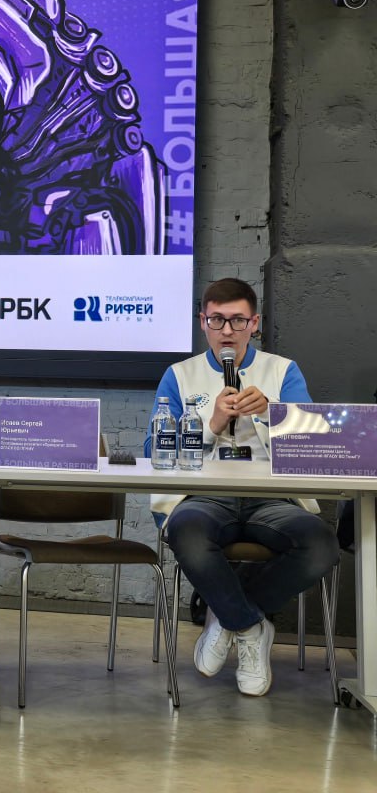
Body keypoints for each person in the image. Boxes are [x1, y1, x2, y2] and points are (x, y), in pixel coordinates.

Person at [149, 277, 339, 697]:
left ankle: (227, 616)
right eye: (217, 320)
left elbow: (313, 443)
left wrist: (271, 414)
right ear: (203, 322)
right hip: (204, 496)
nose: (227, 331)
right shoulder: (179, 376)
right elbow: (154, 451)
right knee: (187, 531)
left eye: (238, 320)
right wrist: (212, 424)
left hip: (270, 498)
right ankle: (251, 627)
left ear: (254, 324)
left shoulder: (282, 370)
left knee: (320, 544)